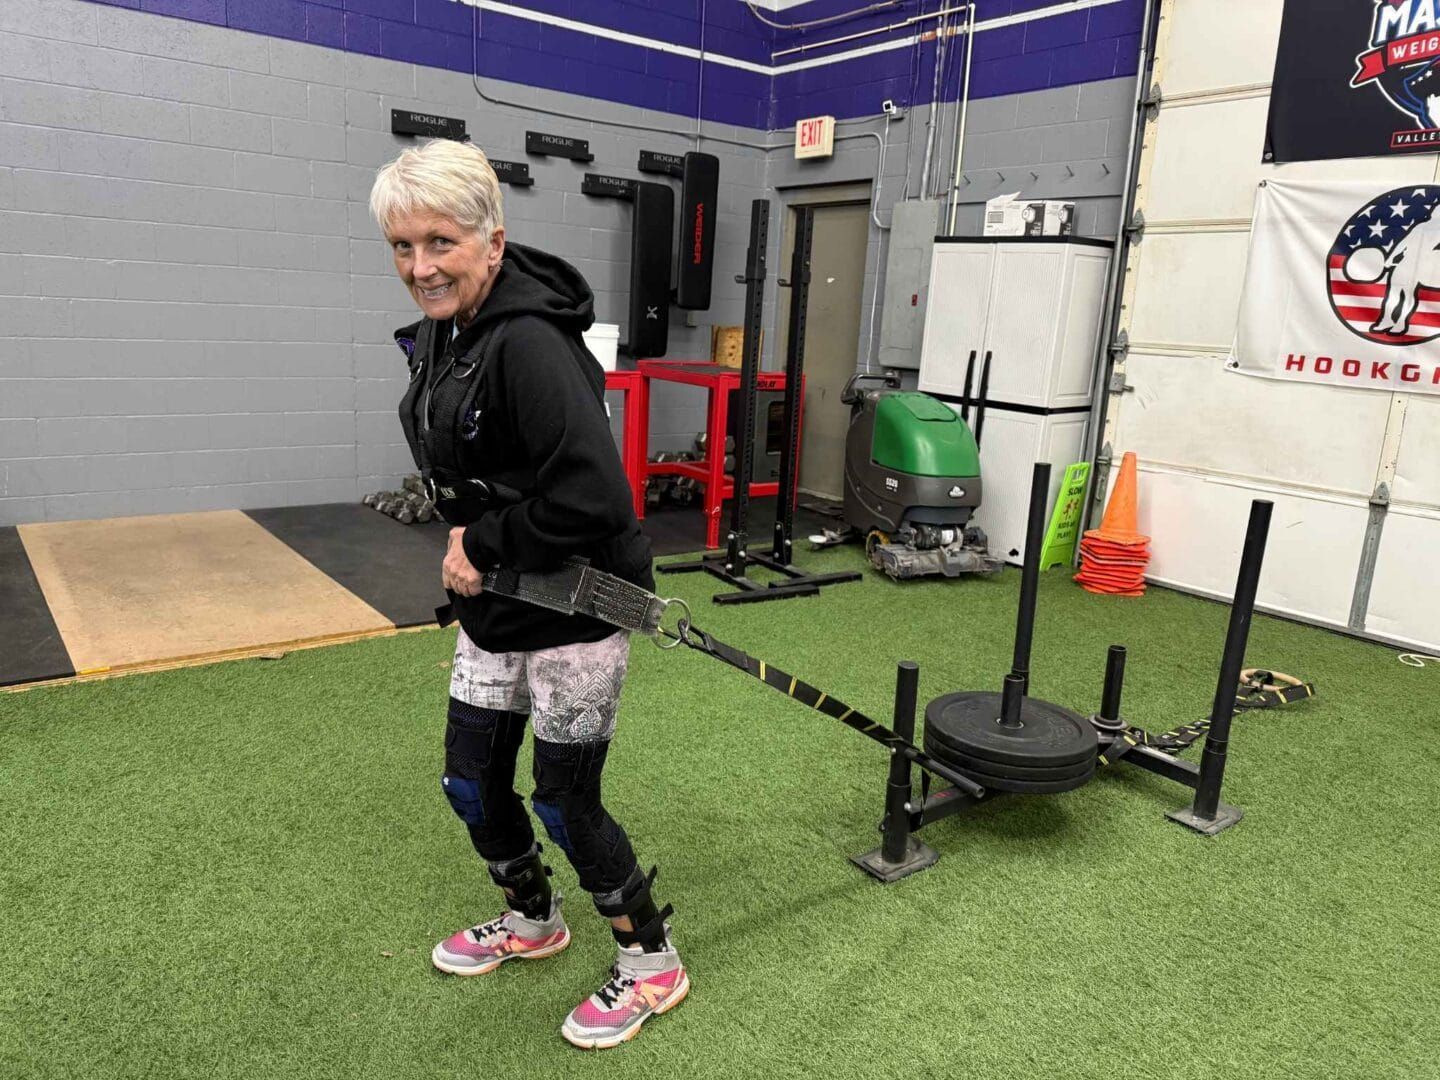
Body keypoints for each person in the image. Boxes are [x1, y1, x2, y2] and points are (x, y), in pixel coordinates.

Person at [369, 139, 687, 1049]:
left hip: (580, 598)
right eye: (402, 246)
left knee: (562, 800)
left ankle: (651, 962)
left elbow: (596, 495)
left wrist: (481, 539)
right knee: (468, 779)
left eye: (440, 243)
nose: (420, 266)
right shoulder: (448, 327)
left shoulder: (531, 342)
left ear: (491, 242)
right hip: (501, 598)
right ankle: (534, 920)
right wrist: (472, 533)